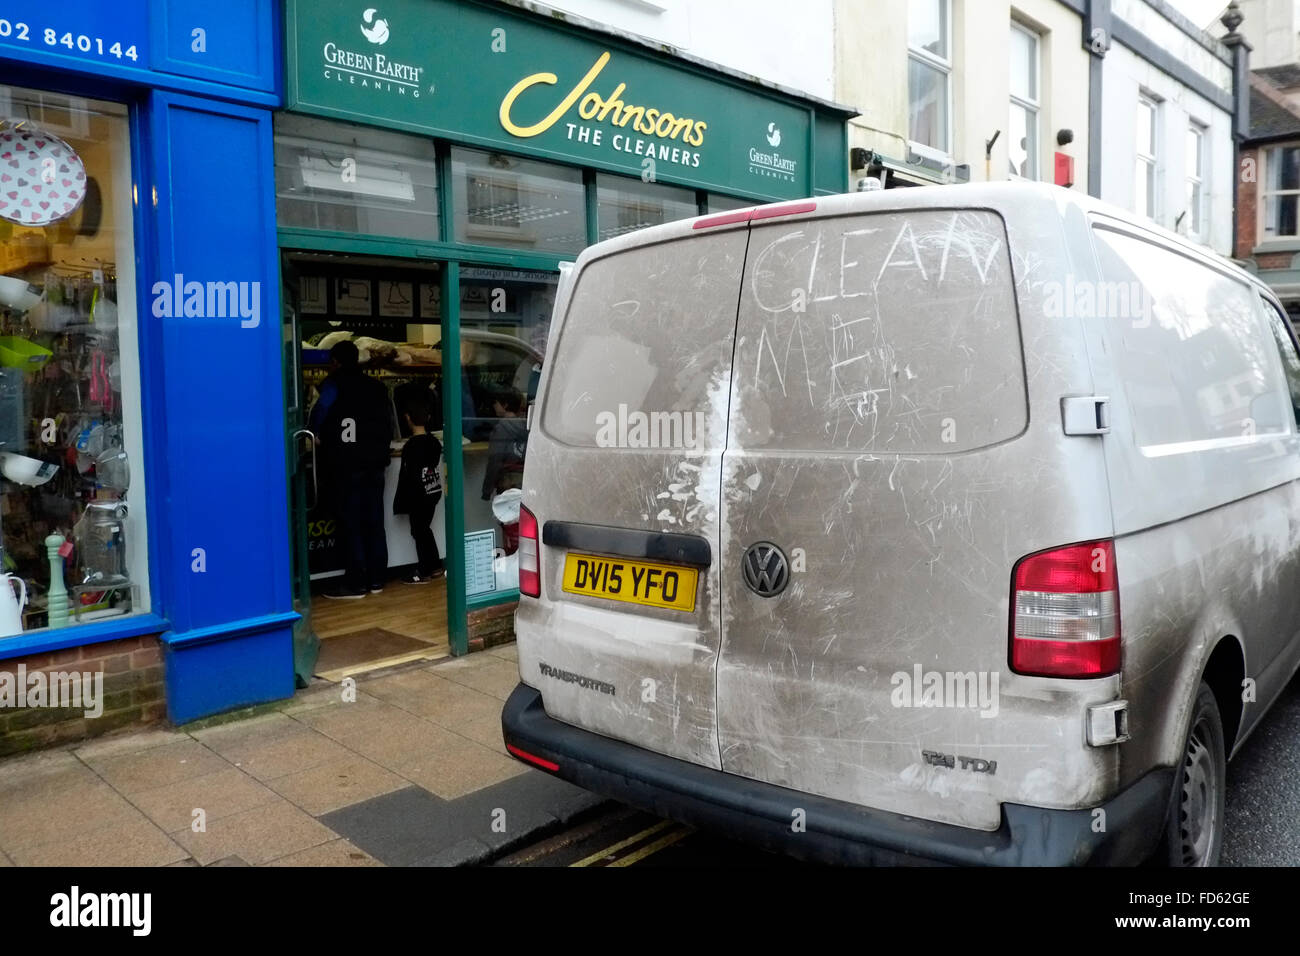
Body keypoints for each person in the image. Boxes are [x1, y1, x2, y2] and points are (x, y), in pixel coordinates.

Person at [310, 340, 393, 599]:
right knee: (375, 521)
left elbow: (319, 414)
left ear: (335, 362)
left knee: (351, 524)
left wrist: (314, 434)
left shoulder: (333, 385)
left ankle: (356, 582)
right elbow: (389, 424)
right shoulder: (378, 388)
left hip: (345, 465)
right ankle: (378, 579)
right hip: (375, 465)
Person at [394, 396, 444, 582]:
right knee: (424, 529)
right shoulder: (434, 443)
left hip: (417, 494)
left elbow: (410, 474)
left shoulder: (410, 446)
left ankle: (426, 569)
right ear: (429, 417)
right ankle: (434, 566)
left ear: (407, 418)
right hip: (432, 491)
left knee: (419, 530)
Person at [482, 390, 528, 501]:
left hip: (507, 482)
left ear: (505, 405)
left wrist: (486, 490)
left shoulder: (501, 429)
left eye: (496, 403)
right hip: (526, 481)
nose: (494, 406)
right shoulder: (526, 427)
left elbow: (495, 460)